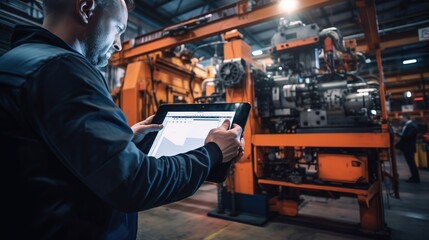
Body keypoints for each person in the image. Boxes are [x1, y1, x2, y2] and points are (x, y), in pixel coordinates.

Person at [0, 0, 244, 239]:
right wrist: (212, 152)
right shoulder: (63, 69)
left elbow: (49, 158)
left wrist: (124, 139)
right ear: (86, 8)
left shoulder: (17, 60)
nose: (118, 45)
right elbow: (135, 184)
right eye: (118, 29)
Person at [395, 114, 420, 183]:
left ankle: (415, 178)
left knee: (411, 163)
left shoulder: (412, 126)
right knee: (410, 163)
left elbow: (407, 136)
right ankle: (414, 177)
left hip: (409, 148)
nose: (400, 120)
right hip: (407, 147)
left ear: (405, 118)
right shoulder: (408, 125)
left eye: (401, 118)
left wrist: (398, 134)